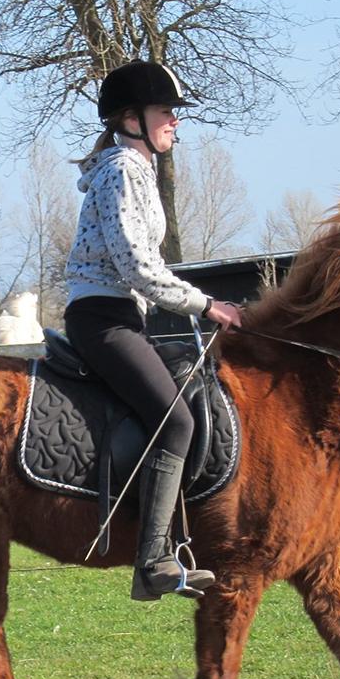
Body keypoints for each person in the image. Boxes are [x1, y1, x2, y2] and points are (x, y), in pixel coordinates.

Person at [64, 59, 244, 602]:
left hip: (121, 315)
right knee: (176, 422)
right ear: (130, 117)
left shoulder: (134, 168)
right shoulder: (122, 169)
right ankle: (153, 561)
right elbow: (136, 267)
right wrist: (205, 304)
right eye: (166, 112)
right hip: (103, 317)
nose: (175, 122)